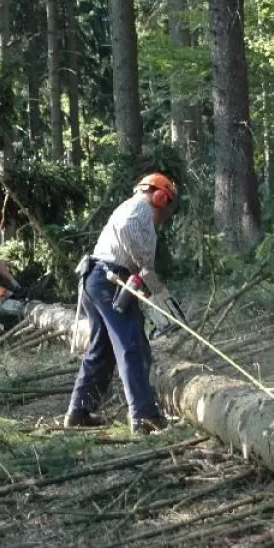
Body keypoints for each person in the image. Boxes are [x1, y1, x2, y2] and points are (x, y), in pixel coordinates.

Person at [65, 173, 178, 433]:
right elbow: (128, 229)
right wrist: (146, 267)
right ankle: (144, 416)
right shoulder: (140, 206)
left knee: (101, 349)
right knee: (132, 345)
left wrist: (150, 285)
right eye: (166, 203)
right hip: (110, 279)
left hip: (97, 278)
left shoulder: (129, 205)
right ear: (160, 196)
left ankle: (79, 411)